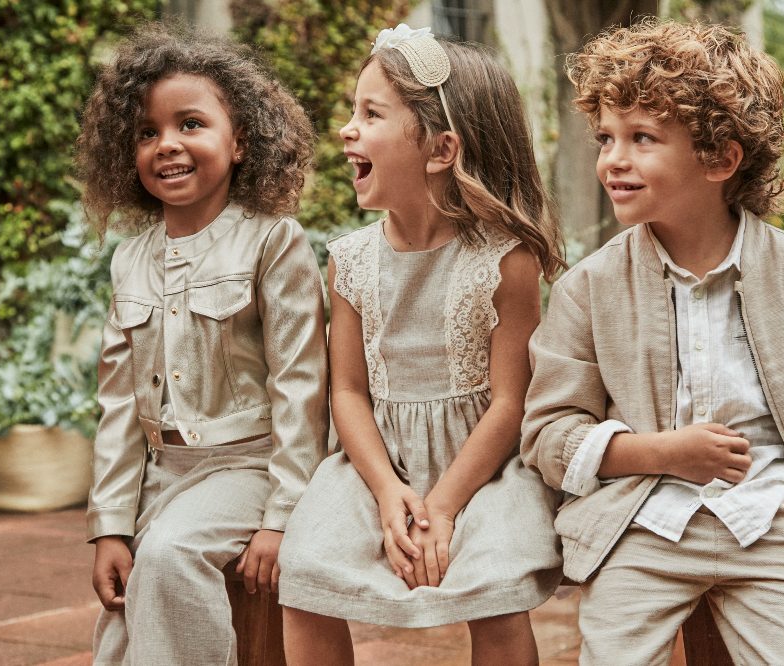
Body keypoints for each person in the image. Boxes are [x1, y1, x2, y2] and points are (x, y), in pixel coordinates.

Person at [521, 19, 784, 665]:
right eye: (607, 137)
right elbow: (548, 431)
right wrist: (661, 452)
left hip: (778, 523)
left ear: (721, 159)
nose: (613, 158)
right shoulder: (590, 288)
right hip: (642, 526)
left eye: (643, 138)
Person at [276, 24, 566, 665]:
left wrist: (442, 505)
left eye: (371, 113)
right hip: (377, 463)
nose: (347, 129)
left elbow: (509, 404)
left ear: (441, 149)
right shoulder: (349, 261)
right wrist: (387, 492)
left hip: (482, 469)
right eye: (354, 111)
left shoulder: (504, 261)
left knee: (495, 588)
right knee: (305, 572)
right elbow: (347, 390)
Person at [75, 24, 328, 666]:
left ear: (240, 140)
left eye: (191, 124)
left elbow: (302, 387)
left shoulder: (274, 241)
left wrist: (282, 514)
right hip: (163, 476)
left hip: (247, 467)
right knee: (121, 617)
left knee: (169, 555)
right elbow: (118, 408)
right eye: (146, 132)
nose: (168, 145)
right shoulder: (130, 261)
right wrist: (108, 525)